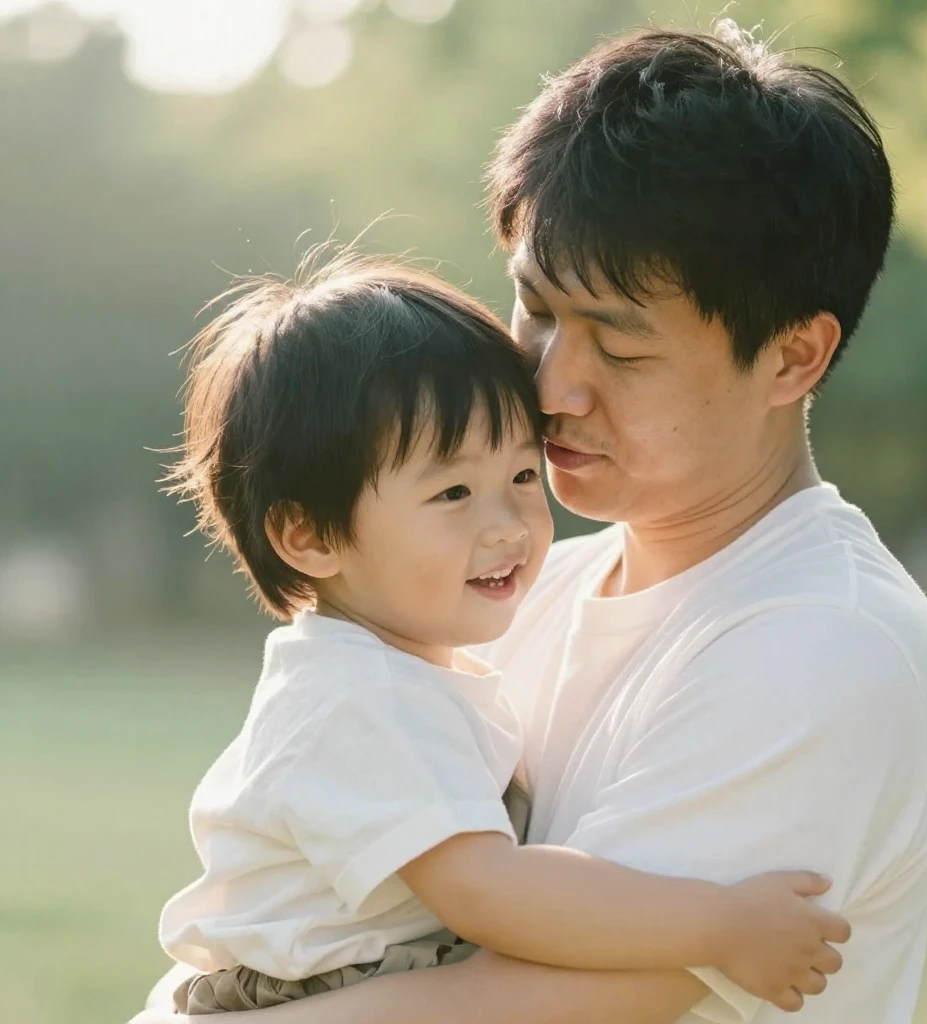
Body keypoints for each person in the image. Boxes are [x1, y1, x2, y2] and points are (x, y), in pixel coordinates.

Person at [135, 19, 927, 1024]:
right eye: (536, 309)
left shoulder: (822, 643)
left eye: (618, 343)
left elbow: (554, 1001)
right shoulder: (518, 594)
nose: (551, 383)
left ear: (791, 357)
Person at [153, 254, 848, 1016]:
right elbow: (494, 894)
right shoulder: (358, 700)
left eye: (521, 476)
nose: (509, 525)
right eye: (452, 492)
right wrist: (721, 926)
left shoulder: (409, 671)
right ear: (310, 535)